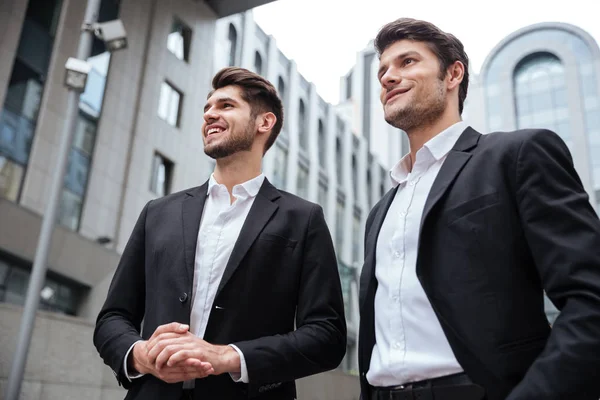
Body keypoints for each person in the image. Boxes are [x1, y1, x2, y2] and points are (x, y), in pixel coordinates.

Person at [358, 17, 600, 400]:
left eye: (407, 62)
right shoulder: (381, 210)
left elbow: (591, 299)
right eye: (383, 70)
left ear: (453, 74)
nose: (387, 77)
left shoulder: (517, 155)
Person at [94, 67, 346, 400]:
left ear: (264, 123)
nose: (210, 113)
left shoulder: (303, 218)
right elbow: (113, 316)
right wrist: (140, 355)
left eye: (226, 106)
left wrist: (229, 357)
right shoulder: (158, 212)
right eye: (207, 108)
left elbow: (327, 335)